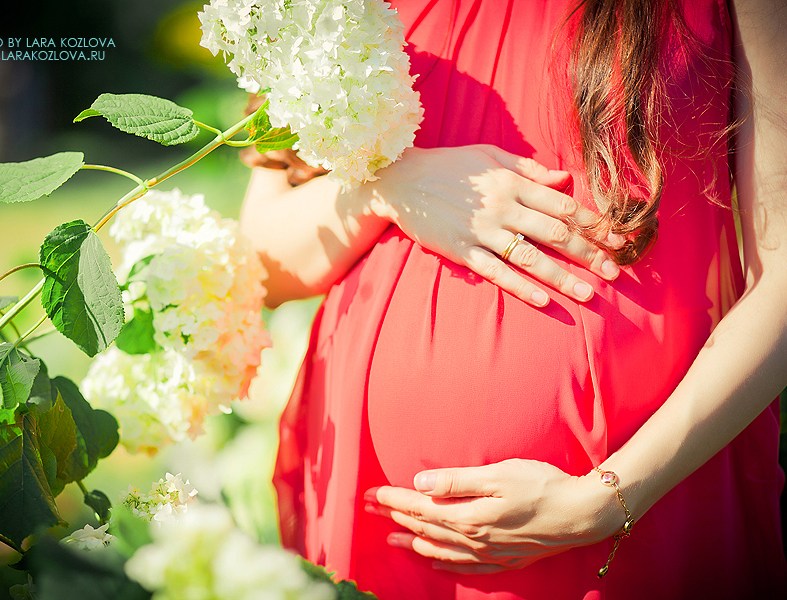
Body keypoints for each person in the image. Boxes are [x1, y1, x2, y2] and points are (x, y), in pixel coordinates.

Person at [238, 0, 787, 598]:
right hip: (381, 522)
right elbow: (265, 262)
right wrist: (389, 187)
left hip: (636, 506)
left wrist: (609, 497)